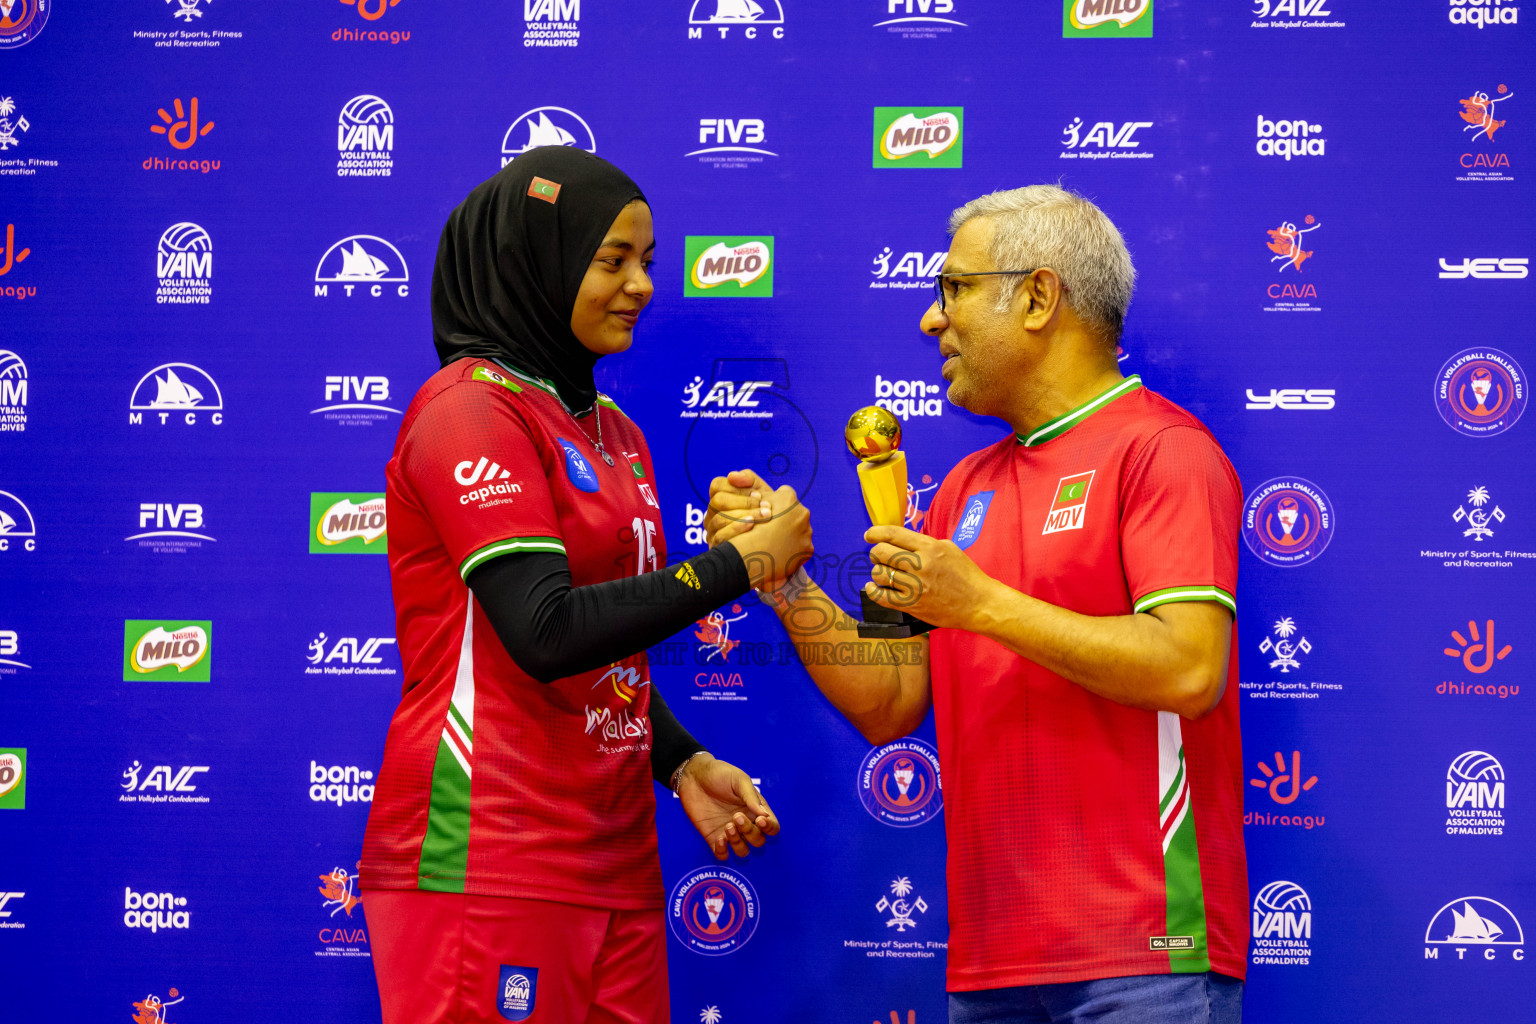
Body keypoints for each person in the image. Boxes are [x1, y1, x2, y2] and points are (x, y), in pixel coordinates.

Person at [709, 186, 1248, 1023]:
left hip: (1145, 958)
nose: (931, 320)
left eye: (954, 289)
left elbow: (1189, 665)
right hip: (991, 966)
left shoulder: (1164, 452)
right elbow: (890, 699)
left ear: (1037, 296)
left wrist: (984, 604)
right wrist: (784, 583)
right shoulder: (961, 487)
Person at [361, 146, 810, 1024]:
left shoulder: (618, 432)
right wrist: (742, 563)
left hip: (614, 863)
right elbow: (547, 632)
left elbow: (605, 660)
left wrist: (679, 761)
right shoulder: (470, 407)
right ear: (539, 262)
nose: (641, 283)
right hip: (489, 858)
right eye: (612, 261)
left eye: (648, 260)